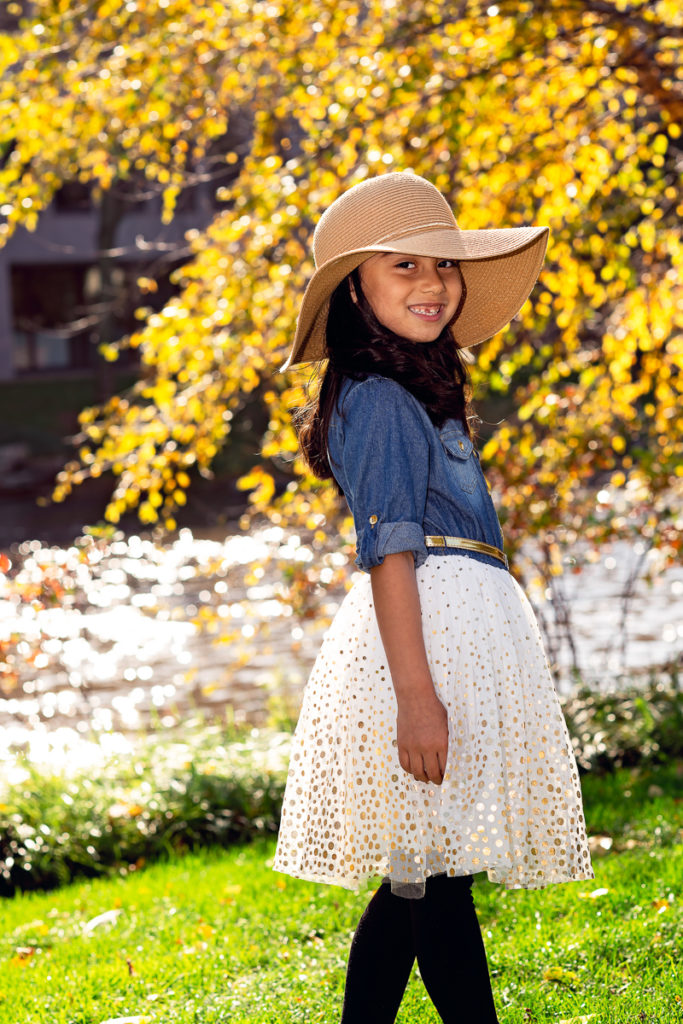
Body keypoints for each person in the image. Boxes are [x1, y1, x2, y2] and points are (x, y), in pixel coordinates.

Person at [272, 172, 594, 1023]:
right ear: (354, 288)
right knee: (428, 879)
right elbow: (390, 551)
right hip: (424, 646)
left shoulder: (414, 389)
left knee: (425, 877)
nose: (432, 284)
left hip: (457, 633)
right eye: (402, 267)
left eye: (442, 266)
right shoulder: (376, 399)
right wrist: (417, 697)